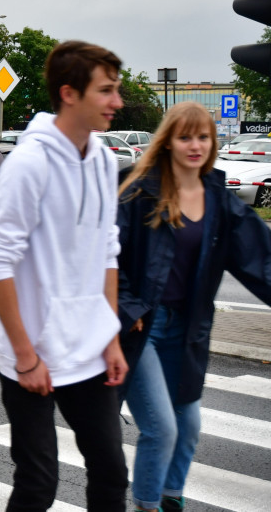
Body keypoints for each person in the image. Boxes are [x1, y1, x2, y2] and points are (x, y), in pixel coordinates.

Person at [0, 40, 129, 510]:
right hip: (31, 351)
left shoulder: (105, 160)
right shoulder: (31, 163)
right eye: (106, 91)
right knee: (38, 482)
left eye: (116, 90)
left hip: (89, 348)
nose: (117, 102)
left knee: (110, 472)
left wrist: (111, 336)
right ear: (69, 93)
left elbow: (106, 249)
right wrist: (25, 357)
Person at [117, 101, 271, 512]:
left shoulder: (220, 201)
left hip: (186, 332)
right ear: (168, 141)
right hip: (141, 329)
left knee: (187, 428)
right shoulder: (139, 190)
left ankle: (169, 501)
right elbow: (108, 257)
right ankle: (146, 506)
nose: (195, 145)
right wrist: (127, 310)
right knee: (162, 429)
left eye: (203, 136)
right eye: (185, 136)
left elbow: (262, 260)